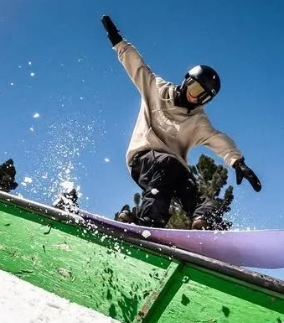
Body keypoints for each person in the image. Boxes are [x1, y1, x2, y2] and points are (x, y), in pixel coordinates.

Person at [100, 14, 262, 230]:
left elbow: (218, 139)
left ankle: (204, 223)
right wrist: (117, 40)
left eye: (203, 97)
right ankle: (148, 220)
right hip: (143, 159)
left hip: (172, 169)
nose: (195, 98)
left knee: (192, 192)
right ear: (187, 81)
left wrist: (237, 162)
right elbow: (136, 66)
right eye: (195, 89)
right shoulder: (156, 89)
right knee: (169, 164)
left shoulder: (198, 121)